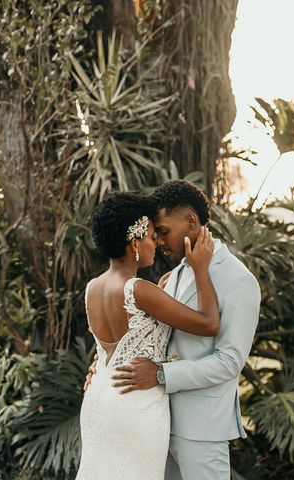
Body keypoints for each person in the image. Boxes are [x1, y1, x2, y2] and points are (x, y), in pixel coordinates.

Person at [96, 180, 262, 479]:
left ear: (190, 221)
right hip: (155, 423)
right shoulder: (176, 273)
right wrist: (103, 365)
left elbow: (229, 362)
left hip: (201, 430)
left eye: (163, 232)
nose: (157, 241)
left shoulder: (239, 280)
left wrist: (161, 374)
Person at [76, 191, 220, 480]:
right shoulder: (139, 290)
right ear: (134, 243)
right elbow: (209, 323)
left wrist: (161, 291)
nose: (157, 243)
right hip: (135, 404)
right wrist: (201, 269)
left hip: (99, 398)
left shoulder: (93, 288)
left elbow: (122, 339)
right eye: (153, 237)